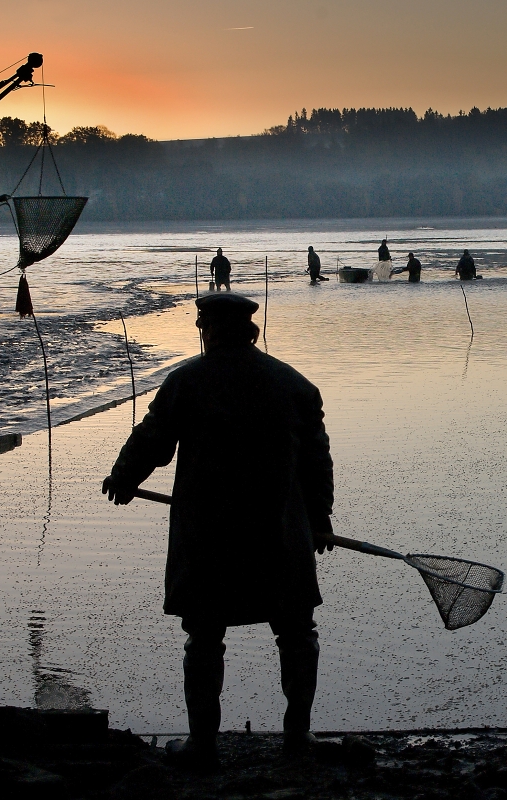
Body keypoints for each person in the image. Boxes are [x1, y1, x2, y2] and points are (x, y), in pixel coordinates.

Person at [101, 292, 334, 771]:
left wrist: (124, 477)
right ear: (248, 331)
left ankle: (202, 744)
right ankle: (298, 736)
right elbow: (317, 460)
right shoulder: (294, 384)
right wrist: (320, 517)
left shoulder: (188, 380)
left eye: (202, 326)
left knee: (204, 636)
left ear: (208, 330)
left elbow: (153, 439)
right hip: (280, 531)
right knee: (296, 632)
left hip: (209, 532)